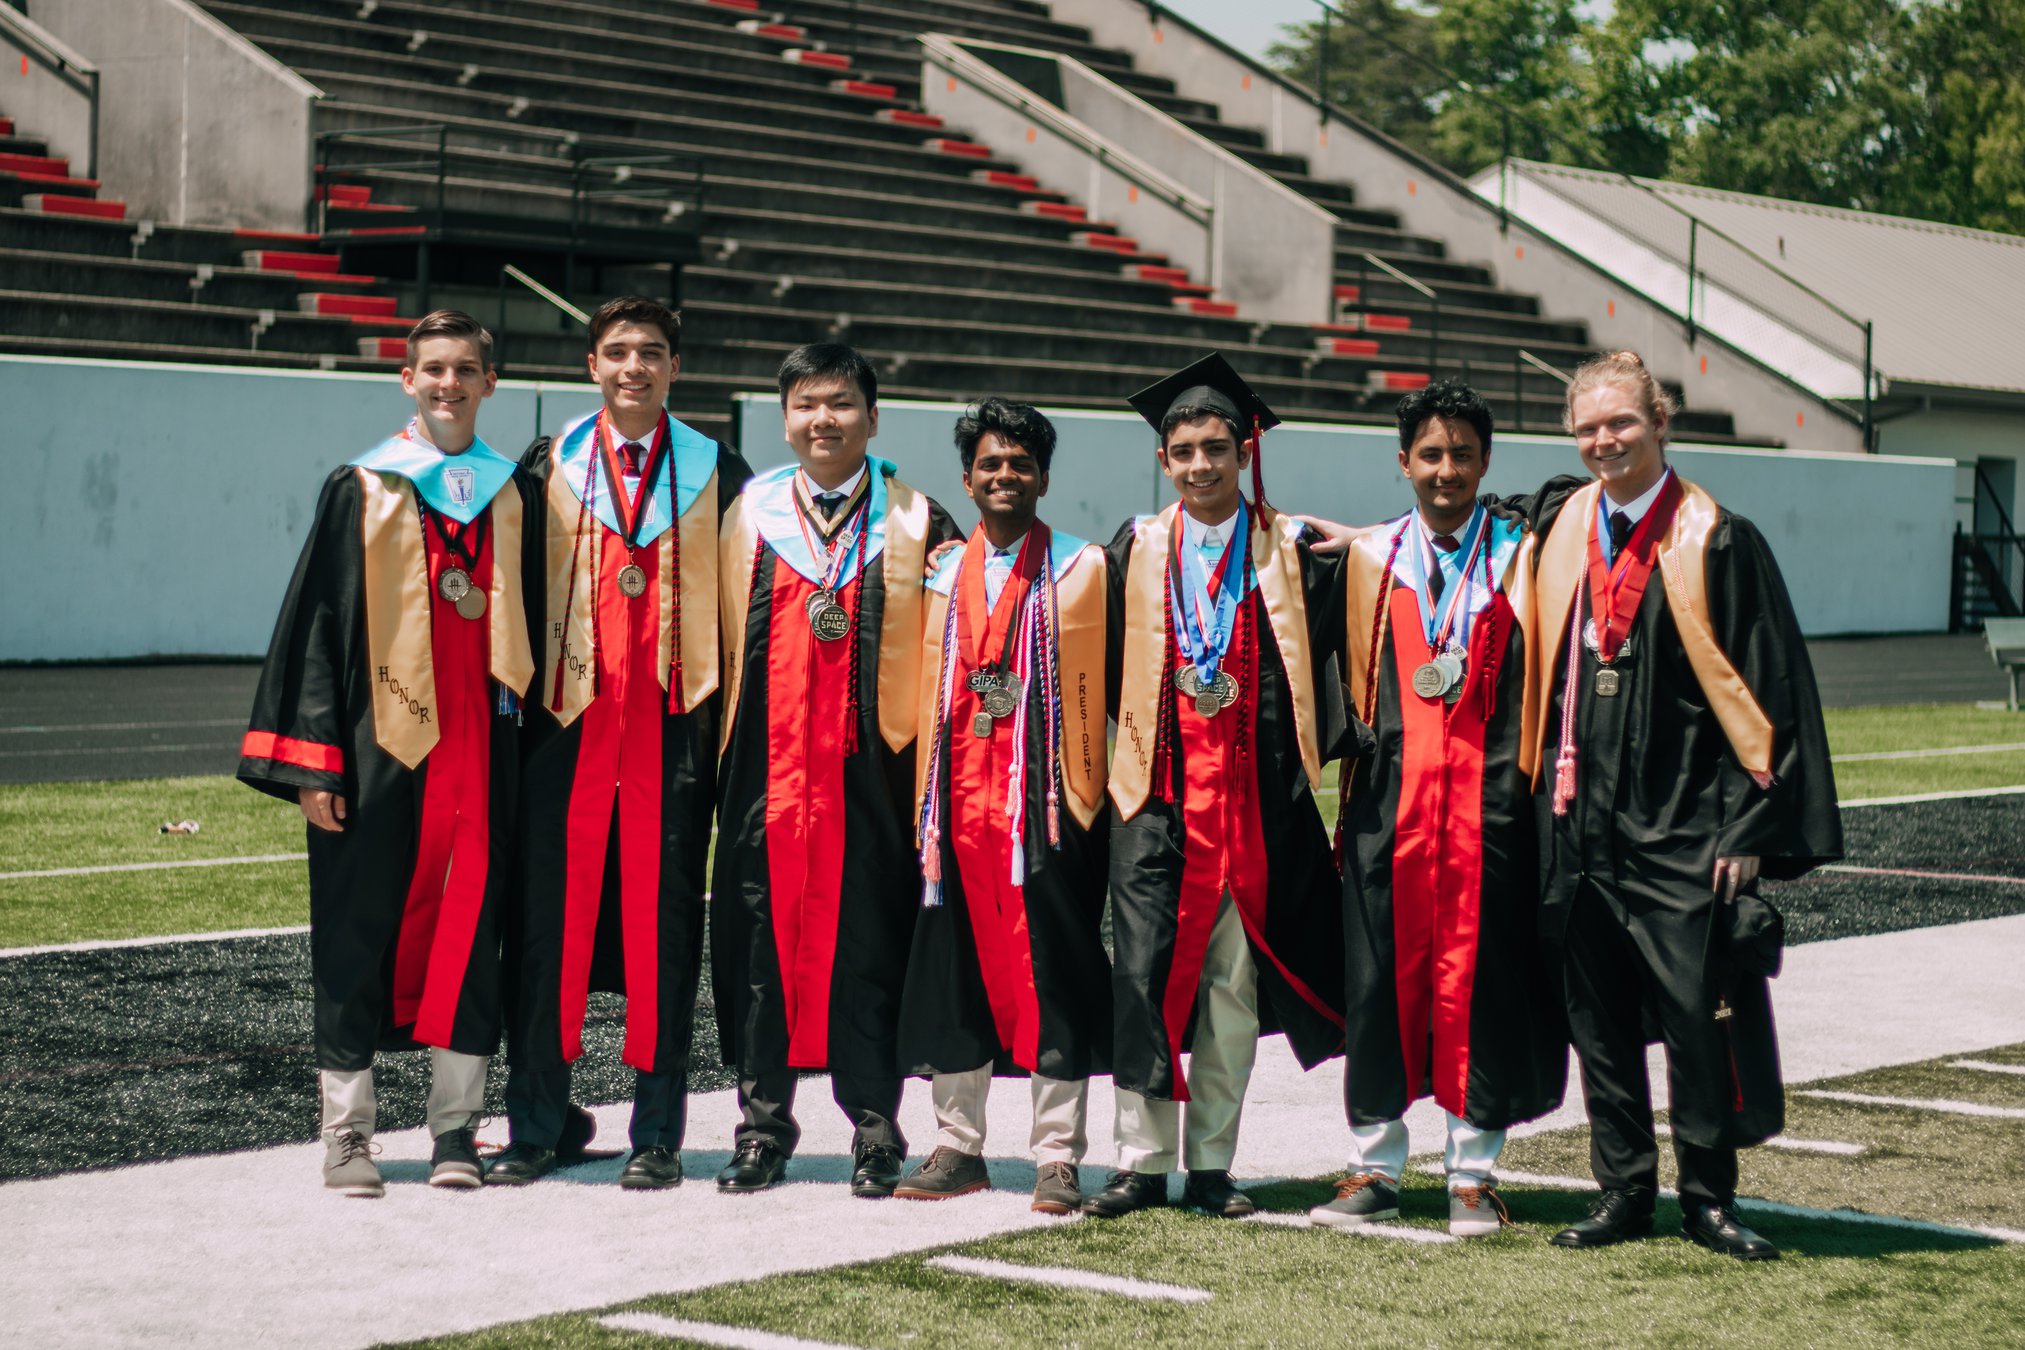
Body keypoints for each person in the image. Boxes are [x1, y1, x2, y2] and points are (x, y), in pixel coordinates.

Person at [1524, 351, 1841, 1260]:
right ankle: (1622, 1190)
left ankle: (1707, 1197)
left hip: (1684, 821)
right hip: (1582, 821)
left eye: (1619, 422)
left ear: (1659, 421)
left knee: (1699, 1016)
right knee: (1599, 1019)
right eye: (1586, 427)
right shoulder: (1564, 526)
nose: (1602, 440)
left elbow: (1770, 683)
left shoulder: (1715, 537)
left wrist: (1748, 825)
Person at [239, 310, 534, 1197]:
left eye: (467, 369)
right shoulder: (362, 488)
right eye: (433, 369)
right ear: (407, 380)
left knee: (472, 937)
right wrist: (313, 765)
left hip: (481, 756)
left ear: (490, 383)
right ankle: (347, 1136)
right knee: (354, 933)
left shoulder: (509, 494)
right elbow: (317, 630)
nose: (450, 383)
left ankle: (454, 1131)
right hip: (377, 753)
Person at [486, 296, 753, 1191]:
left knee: (664, 931)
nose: (633, 366)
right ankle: (535, 1126)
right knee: (543, 933)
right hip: (565, 734)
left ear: (677, 368)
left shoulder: (720, 471)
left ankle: (657, 1134)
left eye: (651, 353)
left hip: (674, 734)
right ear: (590, 365)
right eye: (617, 352)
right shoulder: (548, 464)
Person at [1084, 354, 1348, 1220]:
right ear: (1164, 460)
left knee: (1231, 989)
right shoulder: (1134, 547)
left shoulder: (1295, 551)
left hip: (1255, 805)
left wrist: (1365, 540)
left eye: (1215, 448)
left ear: (1244, 452)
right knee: (1144, 978)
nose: (1199, 465)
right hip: (1153, 802)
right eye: (1183, 450)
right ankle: (1138, 1160)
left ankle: (1209, 1165)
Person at [1308, 379, 1566, 1239]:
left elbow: (1575, 494)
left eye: (1461, 453)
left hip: (1487, 810)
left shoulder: (1521, 551)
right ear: (1401, 463)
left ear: (1485, 463)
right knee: (1377, 987)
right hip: (1389, 812)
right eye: (1429, 454)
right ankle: (1375, 1164)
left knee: (1476, 985)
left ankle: (1470, 1174)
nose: (1444, 469)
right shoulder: (1369, 559)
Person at [710, 343, 961, 1196]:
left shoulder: (919, 522)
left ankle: (875, 1130)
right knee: (758, 947)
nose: (824, 419)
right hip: (765, 781)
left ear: (873, 418)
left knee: (871, 944)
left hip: (873, 783)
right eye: (807, 404)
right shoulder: (747, 516)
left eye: (842, 403)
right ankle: (760, 1129)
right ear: (784, 419)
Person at [894, 399, 1112, 1215]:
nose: (1004, 476)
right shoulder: (938, 571)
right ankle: (958, 1146)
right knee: (952, 974)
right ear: (967, 478)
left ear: (1044, 477)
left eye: (1019, 464)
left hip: (1041, 809)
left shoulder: (1082, 570)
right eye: (990, 464)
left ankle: (1056, 1155)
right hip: (951, 809)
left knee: (1053, 970)